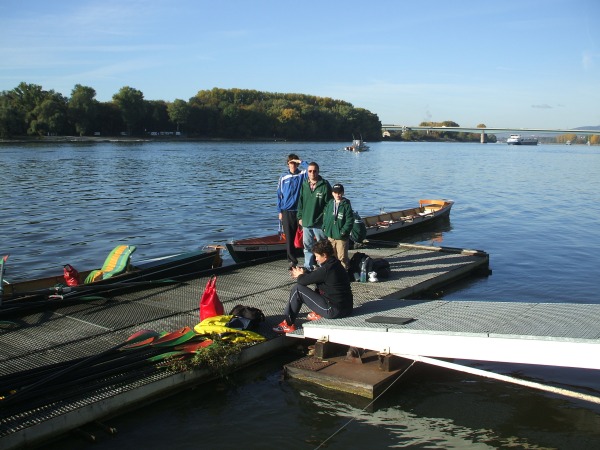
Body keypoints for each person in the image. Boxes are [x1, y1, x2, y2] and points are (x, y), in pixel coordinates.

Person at [273, 239, 353, 333]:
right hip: (346, 308)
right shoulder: (335, 264)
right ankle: (318, 312)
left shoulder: (326, 269)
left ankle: (288, 323)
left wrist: (300, 275)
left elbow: (302, 281)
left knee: (297, 289)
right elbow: (316, 277)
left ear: (324, 255)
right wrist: (304, 273)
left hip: (334, 311)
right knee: (319, 285)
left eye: (317, 256)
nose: (316, 259)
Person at [297, 162, 332, 271]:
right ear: (307, 172)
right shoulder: (304, 184)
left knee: (322, 245)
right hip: (306, 221)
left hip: (319, 222)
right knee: (307, 246)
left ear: (318, 171)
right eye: (310, 171)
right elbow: (301, 202)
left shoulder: (324, 185)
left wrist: (324, 217)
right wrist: (300, 217)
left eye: (314, 171)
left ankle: (323, 266)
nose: (312, 173)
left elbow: (329, 204)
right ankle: (308, 265)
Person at [277, 154, 308, 269]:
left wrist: (300, 161)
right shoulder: (283, 177)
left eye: (295, 163)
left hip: (299, 210)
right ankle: (292, 260)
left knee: (304, 236)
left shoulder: (302, 174)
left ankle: (308, 259)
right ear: (288, 164)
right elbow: (279, 195)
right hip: (286, 211)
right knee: (289, 237)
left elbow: (311, 168)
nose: (293, 165)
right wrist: (279, 211)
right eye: (291, 162)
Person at [322, 183, 354, 270]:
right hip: (331, 235)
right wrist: (324, 227)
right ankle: (334, 274)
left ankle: (344, 273)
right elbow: (325, 216)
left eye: (339, 193)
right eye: (335, 193)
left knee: (342, 257)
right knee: (332, 256)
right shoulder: (330, 203)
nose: (337, 195)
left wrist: (343, 231)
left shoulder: (346, 205)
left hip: (341, 236)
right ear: (332, 193)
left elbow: (350, 220)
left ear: (343, 193)